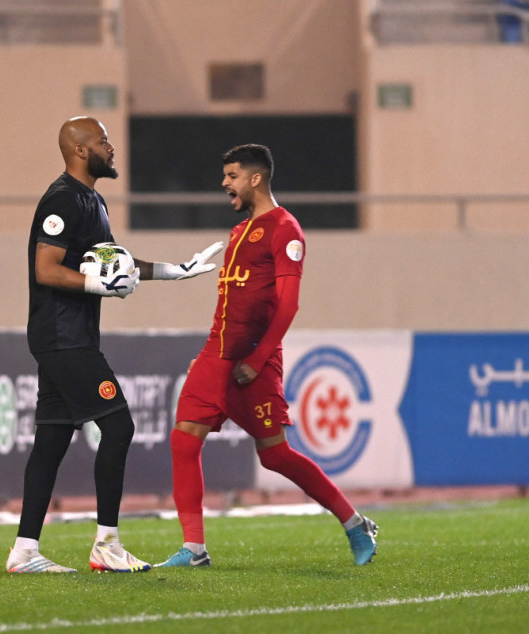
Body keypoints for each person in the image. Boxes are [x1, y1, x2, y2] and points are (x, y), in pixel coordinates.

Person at [6, 116, 223, 574]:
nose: (112, 147)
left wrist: (176, 270)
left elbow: (115, 263)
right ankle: (106, 544)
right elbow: (46, 269)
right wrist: (95, 286)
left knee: (50, 441)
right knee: (119, 426)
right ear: (82, 150)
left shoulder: (92, 200)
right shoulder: (63, 199)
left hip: (67, 336)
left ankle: (24, 551)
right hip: (64, 337)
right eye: (104, 141)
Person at [157, 144, 378, 569]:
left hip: (253, 363)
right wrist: (207, 360)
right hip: (216, 356)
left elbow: (288, 305)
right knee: (183, 439)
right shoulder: (240, 232)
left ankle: (355, 523)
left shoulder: (285, 229)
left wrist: (257, 361)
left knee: (274, 454)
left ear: (255, 178)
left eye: (232, 175)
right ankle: (195, 549)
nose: (225, 183)